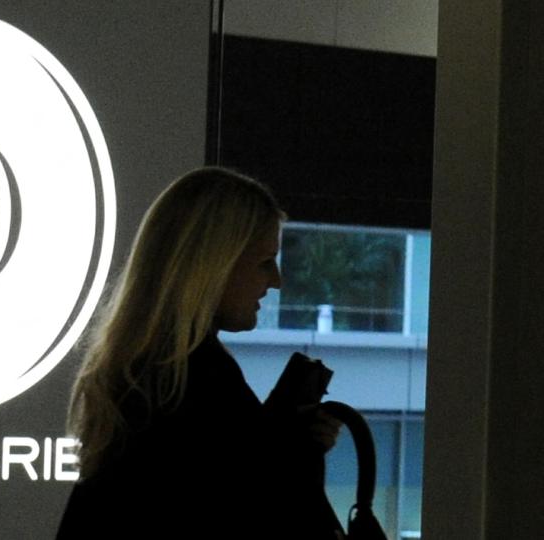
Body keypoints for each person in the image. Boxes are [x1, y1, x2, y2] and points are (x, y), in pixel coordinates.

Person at [57, 167, 344, 539]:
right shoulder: (196, 381)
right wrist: (292, 452)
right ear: (211, 265)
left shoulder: (141, 377)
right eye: (263, 262)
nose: (275, 280)